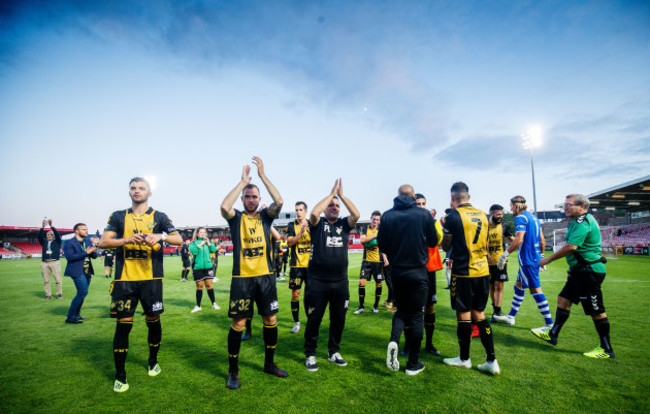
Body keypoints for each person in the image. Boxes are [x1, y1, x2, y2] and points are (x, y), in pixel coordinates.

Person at [99, 177, 182, 393]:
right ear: (129, 192)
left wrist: (159, 236)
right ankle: (120, 375)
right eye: (133, 188)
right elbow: (104, 242)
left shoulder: (160, 217)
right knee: (123, 324)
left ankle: (153, 360)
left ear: (149, 193)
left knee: (153, 320)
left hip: (151, 280)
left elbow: (179, 240)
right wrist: (127, 239)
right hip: (124, 280)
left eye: (141, 188)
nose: (137, 191)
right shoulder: (118, 216)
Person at [220, 156, 287, 390]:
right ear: (243, 199)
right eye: (247, 197)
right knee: (238, 323)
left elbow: (279, 200)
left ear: (260, 200)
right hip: (242, 279)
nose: (250, 200)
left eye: (254, 196)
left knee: (270, 319)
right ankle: (233, 371)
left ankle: (269, 364)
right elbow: (223, 207)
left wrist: (262, 176)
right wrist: (242, 182)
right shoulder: (236, 219)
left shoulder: (266, 217)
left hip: (266, 277)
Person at [532, 194, 614, 359]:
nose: (565, 208)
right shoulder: (577, 222)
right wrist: (571, 271)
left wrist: (547, 259)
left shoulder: (582, 222)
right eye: (564, 204)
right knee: (563, 299)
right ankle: (553, 334)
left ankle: (606, 349)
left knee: (596, 310)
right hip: (579, 271)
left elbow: (571, 247)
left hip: (589, 271)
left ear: (582, 206)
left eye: (569, 204)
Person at [441, 182, 500, 375]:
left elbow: (445, 245)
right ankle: (491, 360)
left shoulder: (453, 216)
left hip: (463, 272)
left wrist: (444, 228)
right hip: (482, 271)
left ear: (453, 198)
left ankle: (464, 358)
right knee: (480, 314)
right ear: (468, 196)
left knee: (463, 314)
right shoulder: (483, 214)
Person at [378, 185, 437, 376]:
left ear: (397, 196)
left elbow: (381, 243)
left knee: (401, 311)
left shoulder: (387, 215)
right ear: (413, 196)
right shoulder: (424, 214)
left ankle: (394, 339)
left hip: (397, 272)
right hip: (418, 272)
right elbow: (433, 241)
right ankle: (413, 363)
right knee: (417, 315)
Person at [304, 179, 360, 372]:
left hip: (340, 282)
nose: (334, 208)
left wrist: (341, 196)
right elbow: (313, 213)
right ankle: (310, 354)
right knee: (314, 319)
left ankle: (333, 351)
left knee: (339, 319)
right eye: (331, 205)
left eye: (336, 206)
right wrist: (330, 194)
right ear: (325, 208)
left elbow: (356, 214)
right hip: (317, 282)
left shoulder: (345, 224)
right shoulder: (318, 224)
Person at [493, 196, 553, 328]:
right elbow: (542, 240)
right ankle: (511, 316)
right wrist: (541, 257)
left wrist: (505, 255)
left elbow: (519, 239)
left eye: (511, 206)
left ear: (516, 205)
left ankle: (550, 324)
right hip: (535, 257)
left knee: (536, 290)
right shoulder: (534, 218)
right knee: (519, 286)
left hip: (528, 260)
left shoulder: (521, 218)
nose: (510, 208)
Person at [415, 193, 444, 356]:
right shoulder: (409, 222)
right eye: (418, 204)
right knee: (411, 307)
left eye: (423, 204)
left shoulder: (432, 222)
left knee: (430, 307)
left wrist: (432, 222)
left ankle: (429, 344)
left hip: (430, 269)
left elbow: (439, 240)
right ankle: (409, 345)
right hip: (413, 269)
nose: (421, 206)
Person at [63, 223, 98, 323]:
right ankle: (70, 317)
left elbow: (94, 256)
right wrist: (86, 253)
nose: (86, 231)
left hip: (87, 270)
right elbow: (70, 257)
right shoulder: (69, 242)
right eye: (83, 229)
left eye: (87, 229)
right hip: (76, 270)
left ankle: (76, 315)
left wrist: (94, 247)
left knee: (82, 293)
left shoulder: (87, 241)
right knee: (83, 292)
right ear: (76, 231)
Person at [286, 201, 311, 334]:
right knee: (295, 294)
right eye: (296, 210)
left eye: (301, 210)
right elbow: (289, 243)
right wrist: (301, 232)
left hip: (310, 266)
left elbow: (317, 242)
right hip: (296, 266)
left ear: (306, 211)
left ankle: (311, 321)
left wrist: (309, 232)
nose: (298, 212)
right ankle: (296, 323)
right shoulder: (291, 225)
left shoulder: (312, 224)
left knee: (311, 295)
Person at [353, 211, 385, 315]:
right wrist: (375, 236)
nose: (375, 221)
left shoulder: (382, 229)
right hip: (366, 261)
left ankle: (375, 306)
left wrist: (369, 241)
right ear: (370, 218)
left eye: (377, 220)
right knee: (361, 282)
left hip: (378, 261)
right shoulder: (365, 228)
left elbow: (383, 244)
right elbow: (362, 240)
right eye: (374, 219)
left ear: (379, 220)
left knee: (378, 283)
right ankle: (361, 306)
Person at [486, 204, 514, 321]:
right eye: (498, 214)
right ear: (491, 214)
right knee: (491, 286)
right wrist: (485, 253)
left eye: (501, 214)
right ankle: (495, 310)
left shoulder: (504, 225)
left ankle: (497, 311)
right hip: (487, 262)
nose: (500, 217)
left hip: (500, 261)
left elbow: (513, 239)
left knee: (499, 285)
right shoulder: (484, 226)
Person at [189, 227, 220, 313]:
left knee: (209, 286)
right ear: (197, 234)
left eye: (204, 232)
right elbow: (193, 252)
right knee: (199, 287)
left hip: (208, 267)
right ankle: (198, 306)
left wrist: (208, 243)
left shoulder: (208, 242)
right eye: (201, 232)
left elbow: (213, 250)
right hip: (197, 268)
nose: (203, 234)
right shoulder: (193, 243)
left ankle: (214, 304)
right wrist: (200, 245)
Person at [37, 218, 63, 300]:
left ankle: (59, 294)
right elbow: (39, 236)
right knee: (46, 280)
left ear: (53, 235)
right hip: (45, 263)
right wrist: (42, 227)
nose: (49, 236)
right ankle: (48, 295)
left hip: (55, 262)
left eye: (51, 234)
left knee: (58, 280)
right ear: (46, 235)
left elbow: (57, 234)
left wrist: (51, 226)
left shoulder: (57, 241)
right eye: (48, 234)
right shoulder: (44, 242)